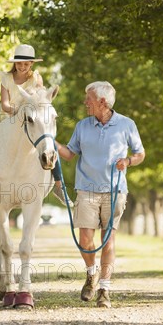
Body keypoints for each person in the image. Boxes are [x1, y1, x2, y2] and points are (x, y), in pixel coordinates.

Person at [56, 81, 145, 308]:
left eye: (89, 99)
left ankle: (104, 289)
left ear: (102, 102)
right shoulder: (82, 126)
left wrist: (128, 161)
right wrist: (50, 142)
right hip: (86, 189)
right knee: (85, 239)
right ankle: (91, 273)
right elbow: (68, 154)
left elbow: (140, 153)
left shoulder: (126, 124)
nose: (85, 103)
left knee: (108, 241)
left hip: (115, 191)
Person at [0, 44, 70, 207]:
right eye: (19, 63)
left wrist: (35, 112)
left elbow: (41, 99)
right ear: (14, 63)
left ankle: (59, 187)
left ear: (31, 64)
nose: (22, 67)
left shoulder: (36, 78)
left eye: (26, 64)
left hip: (30, 121)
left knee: (49, 146)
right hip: (6, 119)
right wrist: (18, 111)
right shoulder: (6, 78)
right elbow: (4, 104)